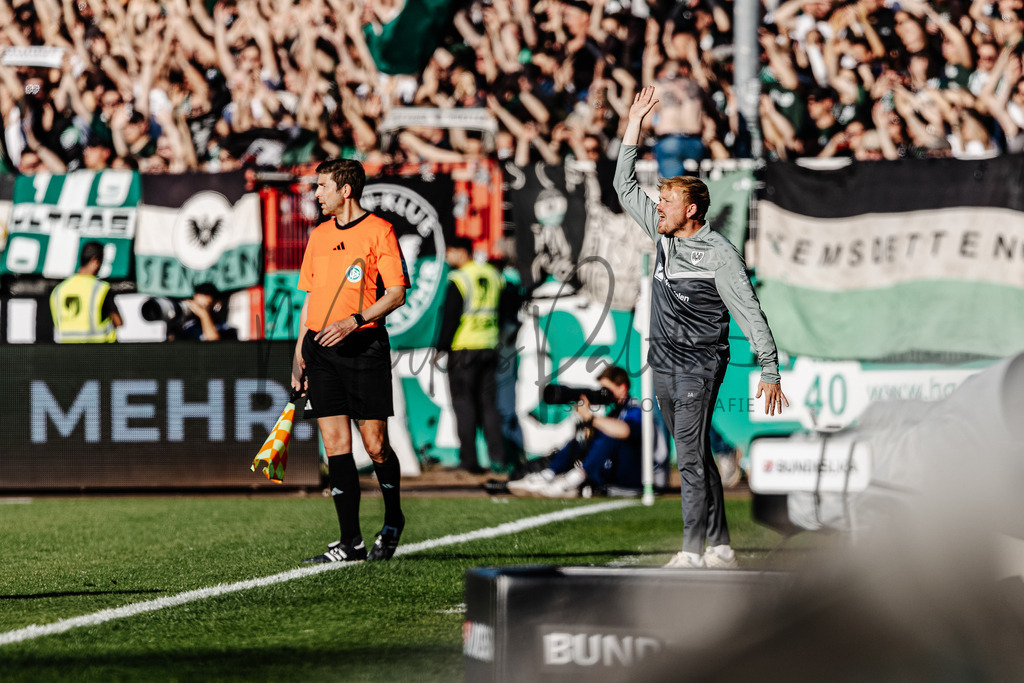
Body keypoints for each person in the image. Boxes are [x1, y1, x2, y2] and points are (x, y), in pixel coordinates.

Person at [614, 86, 789, 569]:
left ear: (690, 209)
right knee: (693, 453)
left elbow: (751, 313)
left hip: (700, 364)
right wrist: (634, 123)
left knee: (687, 458)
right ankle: (723, 546)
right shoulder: (663, 234)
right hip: (663, 363)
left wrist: (770, 369)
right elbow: (623, 186)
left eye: (666, 200)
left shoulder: (719, 255)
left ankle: (691, 552)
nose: (658, 206)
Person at [293, 158, 410, 563]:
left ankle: (394, 518)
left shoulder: (380, 231)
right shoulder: (319, 235)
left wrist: (353, 320)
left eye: (322, 186)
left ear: (345, 190)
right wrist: (299, 353)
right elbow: (310, 298)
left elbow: (396, 294)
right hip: (320, 351)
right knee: (335, 445)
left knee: (376, 445)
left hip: (364, 347)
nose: (316, 194)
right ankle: (350, 543)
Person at [507, 366, 643, 498]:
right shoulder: (615, 411)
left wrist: (591, 418)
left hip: (633, 477)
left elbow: (624, 430)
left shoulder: (634, 409)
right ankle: (549, 474)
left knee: (609, 431)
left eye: (606, 389)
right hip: (612, 473)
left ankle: (573, 480)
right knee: (581, 440)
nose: (603, 393)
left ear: (622, 388)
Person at [434, 236, 507, 475]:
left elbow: (451, 316)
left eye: (449, 251)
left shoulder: (459, 278)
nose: (447, 257)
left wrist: (440, 348)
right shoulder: (495, 275)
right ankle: (498, 459)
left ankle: (469, 461)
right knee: (488, 405)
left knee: (463, 404)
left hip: (464, 348)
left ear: (460, 251)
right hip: (490, 346)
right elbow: (507, 308)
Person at [50, 241, 122, 343]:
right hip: (98, 351)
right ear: (95, 261)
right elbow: (118, 322)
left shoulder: (59, 290)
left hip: (67, 350)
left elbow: (56, 322)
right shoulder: (100, 288)